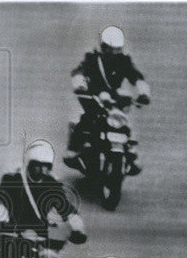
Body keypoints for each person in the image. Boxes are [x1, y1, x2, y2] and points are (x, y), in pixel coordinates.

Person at [64, 26, 150, 175]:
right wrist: (80, 85)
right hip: (92, 94)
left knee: (124, 123)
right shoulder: (92, 58)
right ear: (103, 47)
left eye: (116, 50)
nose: (112, 53)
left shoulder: (124, 61)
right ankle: (74, 148)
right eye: (109, 49)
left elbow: (136, 76)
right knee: (88, 118)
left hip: (114, 96)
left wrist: (143, 92)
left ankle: (131, 153)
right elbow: (79, 71)